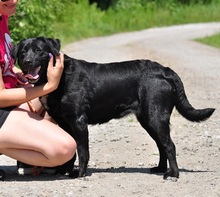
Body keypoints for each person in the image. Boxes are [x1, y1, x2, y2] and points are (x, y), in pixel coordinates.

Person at [0, 0, 77, 175]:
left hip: (5, 104)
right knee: (64, 148)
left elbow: (4, 62)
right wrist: (49, 86)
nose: (12, 0)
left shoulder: (2, 17)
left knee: (58, 92)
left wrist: (16, 72)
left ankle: (28, 161)